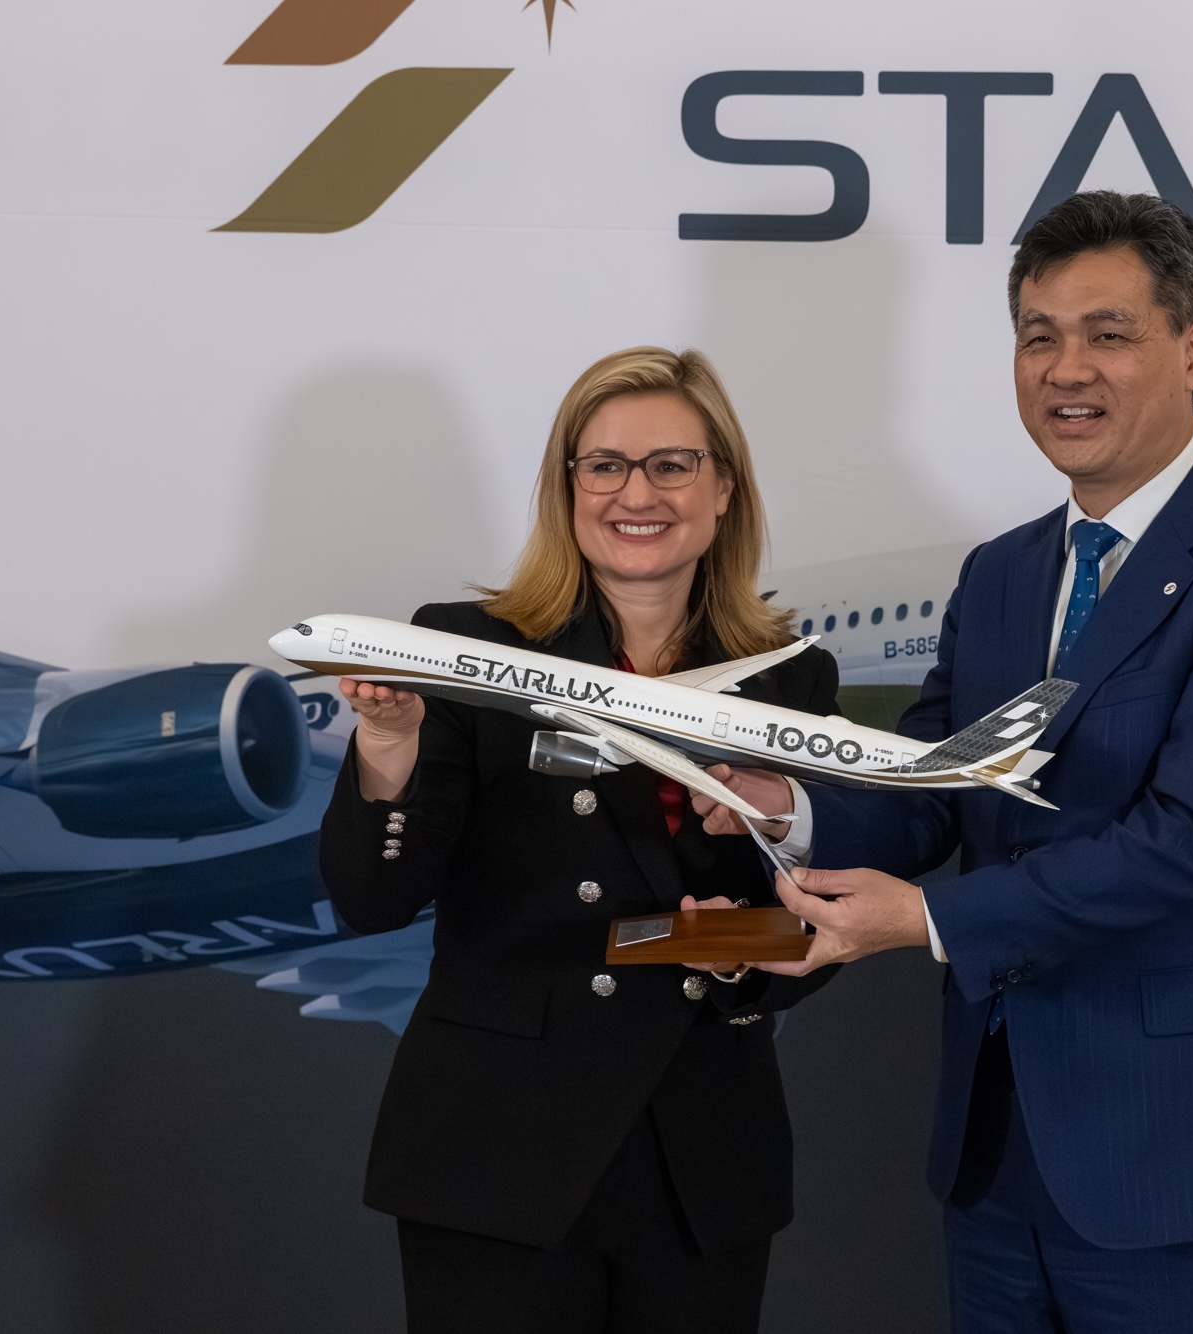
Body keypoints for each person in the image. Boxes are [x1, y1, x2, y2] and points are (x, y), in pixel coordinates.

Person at [695, 192, 1193, 1333]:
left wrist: (926, 919)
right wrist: (787, 805)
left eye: (1107, 333)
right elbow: (934, 786)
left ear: (1192, 350)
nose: (1065, 368)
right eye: (1037, 335)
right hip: (996, 1153)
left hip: (1176, 1157)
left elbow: (1184, 843)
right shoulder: (999, 572)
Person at [320, 346, 840, 1333]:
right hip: (497, 1154)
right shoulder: (465, 647)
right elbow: (372, 898)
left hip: (698, 1158)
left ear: (723, 488)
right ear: (567, 489)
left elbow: (818, 922)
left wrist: (732, 947)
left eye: (671, 464)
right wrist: (387, 747)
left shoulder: (791, 677)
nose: (635, 494)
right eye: (603, 465)